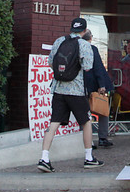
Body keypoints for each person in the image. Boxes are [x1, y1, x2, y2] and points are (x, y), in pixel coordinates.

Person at [38, 17, 104, 172]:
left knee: (53, 123)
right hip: (76, 90)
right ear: (85, 30)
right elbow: (88, 67)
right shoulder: (84, 44)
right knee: (86, 122)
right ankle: (89, 158)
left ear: (71, 28)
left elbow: (50, 62)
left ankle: (44, 158)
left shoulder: (59, 41)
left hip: (58, 89)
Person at [82, 29, 115, 149]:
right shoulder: (92, 49)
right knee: (103, 111)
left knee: (85, 113)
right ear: (90, 38)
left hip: (81, 86)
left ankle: (88, 141)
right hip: (94, 85)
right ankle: (102, 137)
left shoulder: (77, 48)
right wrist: (102, 85)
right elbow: (98, 68)